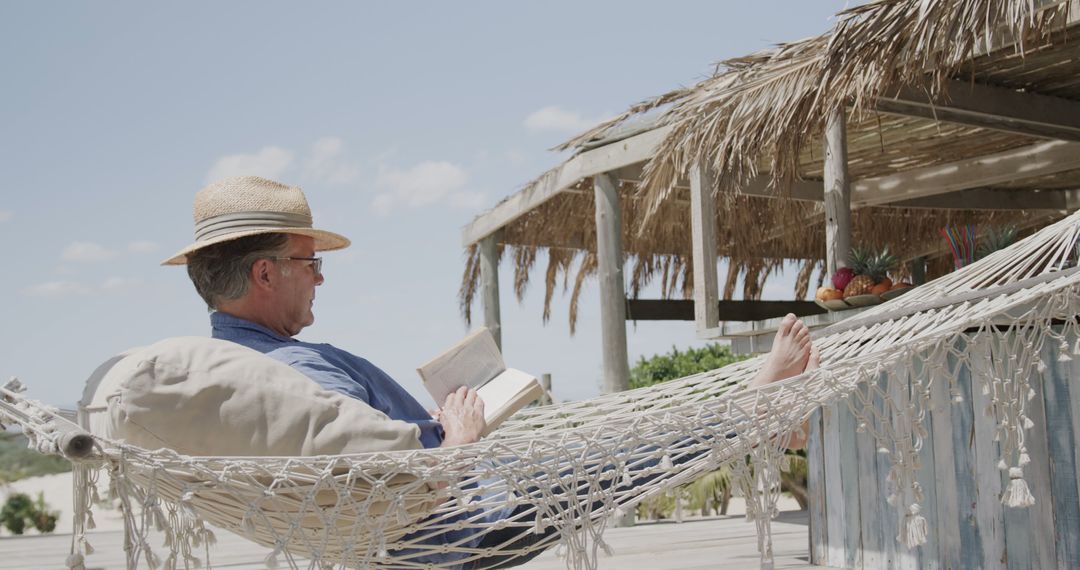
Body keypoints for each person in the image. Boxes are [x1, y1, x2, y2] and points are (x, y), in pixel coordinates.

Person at [165, 175, 817, 568]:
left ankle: (760, 423)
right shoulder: (293, 372)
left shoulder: (239, 369)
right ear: (264, 273)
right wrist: (462, 435)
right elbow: (387, 486)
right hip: (464, 525)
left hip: (444, 518)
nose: (320, 276)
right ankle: (757, 416)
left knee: (609, 428)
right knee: (612, 444)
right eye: (309, 262)